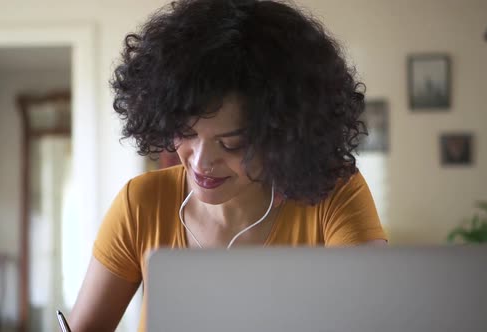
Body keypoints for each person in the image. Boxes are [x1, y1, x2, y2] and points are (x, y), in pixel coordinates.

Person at [69, 0, 388, 330]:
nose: (201, 162)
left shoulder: (333, 193)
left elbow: (378, 315)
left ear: (283, 135)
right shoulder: (141, 204)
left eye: (231, 143)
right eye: (186, 133)